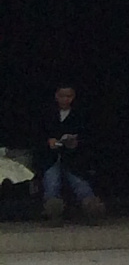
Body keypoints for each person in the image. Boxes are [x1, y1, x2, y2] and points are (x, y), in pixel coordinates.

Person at [35, 85, 103, 221]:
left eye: (69, 96)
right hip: (50, 159)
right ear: (56, 96)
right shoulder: (46, 114)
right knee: (52, 182)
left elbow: (91, 136)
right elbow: (35, 135)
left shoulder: (81, 115)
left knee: (79, 183)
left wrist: (76, 143)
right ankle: (53, 210)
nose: (65, 99)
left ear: (74, 97)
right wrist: (48, 141)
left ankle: (92, 208)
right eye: (62, 96)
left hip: (74, 159)